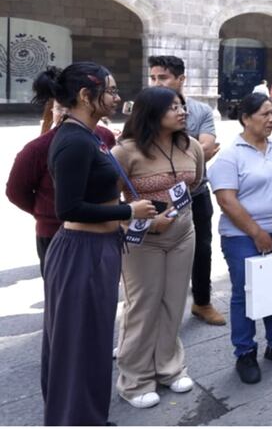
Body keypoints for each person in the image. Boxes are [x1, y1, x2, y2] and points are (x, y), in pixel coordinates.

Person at [33, 63, 157, 426]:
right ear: (86, 96)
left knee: (92, 345)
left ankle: (87, 416)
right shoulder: (72, 140)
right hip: (81, 252)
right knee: (78, 348)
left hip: (97, 249)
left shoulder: (90, 135)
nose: (118, 97)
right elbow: (67, 208)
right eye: (111, 90)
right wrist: (129, 210)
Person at [112, 87, 205, 408]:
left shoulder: (191, 146)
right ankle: (135, 379)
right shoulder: (125, 152)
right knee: (142, 306)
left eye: (182, 106)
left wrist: (173, 214)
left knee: (174, 301)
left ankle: (169, 367)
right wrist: (149, 221)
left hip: (183, 235)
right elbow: (107, 201)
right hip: (142, 242)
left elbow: (195, 184)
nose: (182, 112)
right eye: (173, 108)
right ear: (151, 113)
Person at [210, 93, 272, 385]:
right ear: (246, 118)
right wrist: (256, 233)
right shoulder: (230, 155)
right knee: (245, 293)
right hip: (241, 236)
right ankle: (245, 352)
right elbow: (227, 200)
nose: (271, 119)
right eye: (264, 114)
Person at [148, 55, 226, 326]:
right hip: (157, 199)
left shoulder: (200, 110)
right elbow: (137, 153)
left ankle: (202, 302)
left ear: (181, 79)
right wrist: (193, 153)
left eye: (163, 77)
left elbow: (208, 145)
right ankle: (156, 313)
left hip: (196, 194)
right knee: (157, 255)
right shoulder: (146, 109)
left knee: (202, 249)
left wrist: (165, 157)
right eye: (154, 77)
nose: (157, 83)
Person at [7, 102, 116, 276]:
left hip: (101, 229)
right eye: (60, 108)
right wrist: (46, 212)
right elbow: (16, 192)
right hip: (54, 233)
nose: (65, 114)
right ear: (51, 110)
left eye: (71, 107)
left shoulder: (104, 137)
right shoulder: (37, 147)